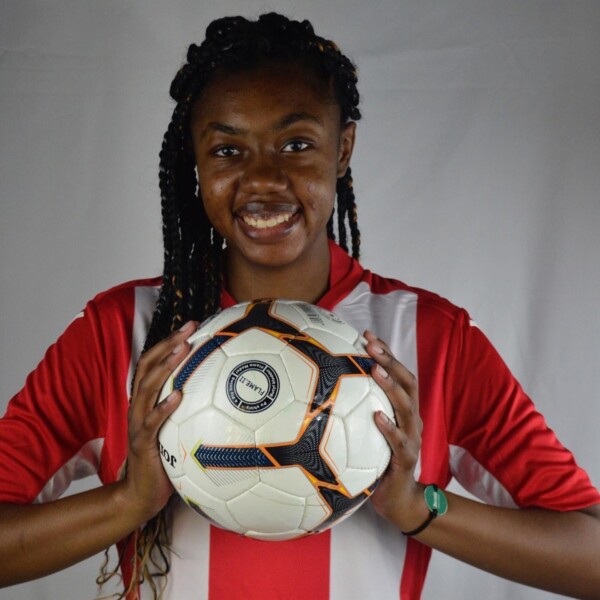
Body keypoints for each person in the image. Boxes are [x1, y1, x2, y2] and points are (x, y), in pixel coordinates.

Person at [0, 12, 599, 600]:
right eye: (228, 150)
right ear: (194, 160)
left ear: (343, 149)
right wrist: (128, 502)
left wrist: (417, 508)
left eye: (296, 144)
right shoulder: (122, 332)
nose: (264, 179)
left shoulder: (430, 338)